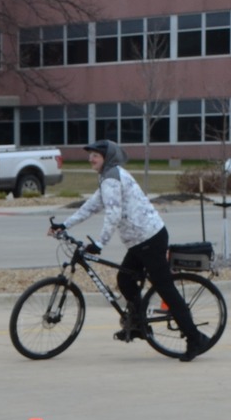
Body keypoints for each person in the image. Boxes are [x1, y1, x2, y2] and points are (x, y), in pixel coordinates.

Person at [55, 140, 210, 360]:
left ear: (106, 158)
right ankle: (138, 325)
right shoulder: (108, 176)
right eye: (90, 155)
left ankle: (195, 338)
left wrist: (100, 244)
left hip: (150, 238)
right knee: (126, 280)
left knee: (165, 288)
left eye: (95, 155)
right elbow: (91, 206)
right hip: (139, 241)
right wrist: (65, 224)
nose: (91, 158)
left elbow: (113, 214)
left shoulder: (112, 178)